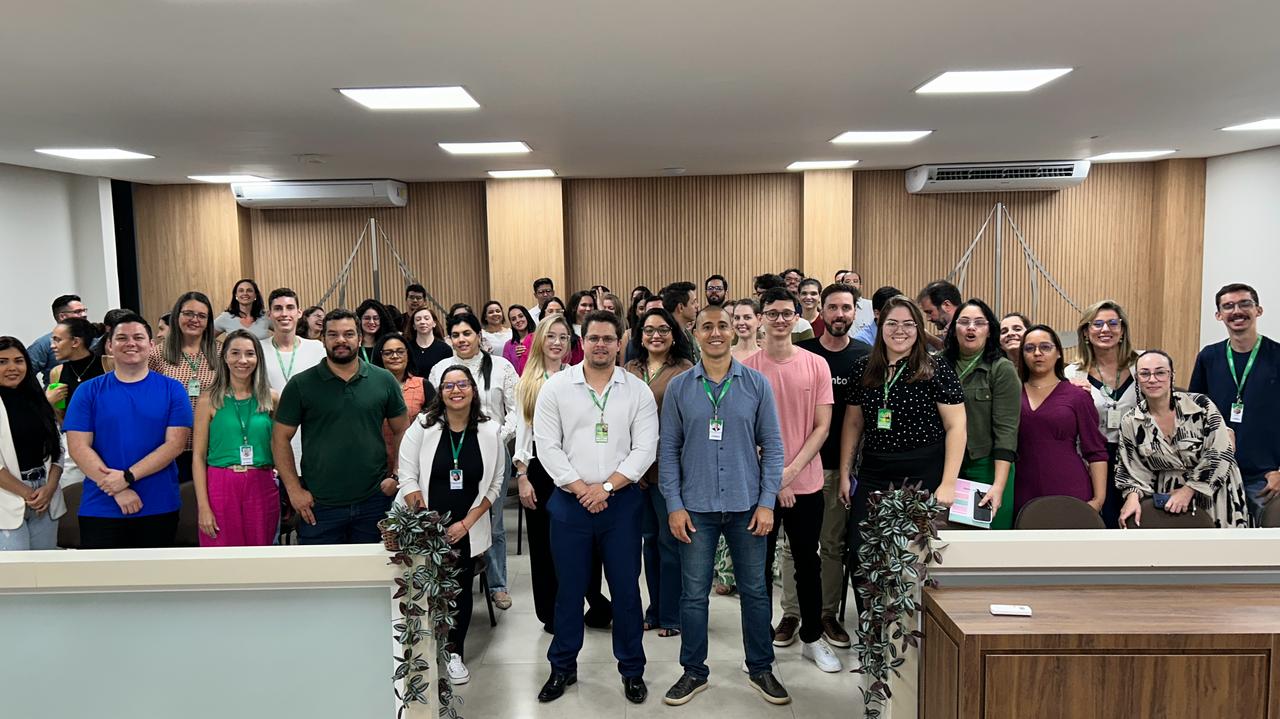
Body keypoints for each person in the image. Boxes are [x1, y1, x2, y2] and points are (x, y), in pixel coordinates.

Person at [658, 304, 790, 707]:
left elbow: (774, 447)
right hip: (695, 506)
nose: (715, 333)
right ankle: (693, 672)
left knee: (755, 592)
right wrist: (674, 505)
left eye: (722, 326)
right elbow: (668, 451)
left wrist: (767, 503)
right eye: (707, 327)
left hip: (746, 504)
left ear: (734, 331)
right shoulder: (680, 387)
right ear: (695, 334)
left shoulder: (756, 384)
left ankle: (761, 668)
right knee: (693, 595)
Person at [533, 310, 658, 706]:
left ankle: (632, 670)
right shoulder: (556, 388)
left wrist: (605, 488)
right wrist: (581, 488)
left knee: (625, 592)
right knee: (569, 592)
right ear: (581, 343)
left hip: (621, 505)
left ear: (620, 344)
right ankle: (562, 667)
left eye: (608, 339)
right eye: (593, 338)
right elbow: (547, 446)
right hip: (570, 506)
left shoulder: (636, 390)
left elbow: (645, 449)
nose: (600, 345)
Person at [839, 296, 966, 612]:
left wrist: (948, 483)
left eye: (908, 324)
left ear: (919, 328)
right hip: (874, 472)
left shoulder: (935, 368)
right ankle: (873, 625)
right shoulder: (863, 368)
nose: (900, 330)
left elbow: (956, 426)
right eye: (892, 323)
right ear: (880, 326)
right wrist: (844, 473)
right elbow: (853, 424)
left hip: (922, 474)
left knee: (913, 553)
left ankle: (909, 624)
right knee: (861, 550)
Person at [741, 287, 839, 672]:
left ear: (797, 318)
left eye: (786, 313)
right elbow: (745, 431)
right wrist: (775, 481)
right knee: (758, 567)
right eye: (772, 313)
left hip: (807, 483)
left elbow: (822, 427)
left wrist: (790, 474)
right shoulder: (747, 369)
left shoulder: (816, 365)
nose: (779, 320)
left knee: (807, 562)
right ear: (761, 318)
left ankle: (812, 638)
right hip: (760, 488)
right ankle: (758, 644)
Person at [397, 365, 505, 684]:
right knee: (425, 588)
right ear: (440, 392)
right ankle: (423, 649)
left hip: (466, 528)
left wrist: (466, 524)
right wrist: (429, 523)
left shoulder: (490, 431)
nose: (456, 391)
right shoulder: (423, 426)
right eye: (448, 386)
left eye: (462, 384)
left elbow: (495, 484)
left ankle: (454, 653)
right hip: (426, 526)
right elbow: (407, 476)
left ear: (473, 389)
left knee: (460, 590)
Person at [272, 310, 409, 544]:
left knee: (372, 568)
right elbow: (279, 438)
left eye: (348, 334)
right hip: (318, 505)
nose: (341, 340)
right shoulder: (301, 384)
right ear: (323, 339)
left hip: (374, 502)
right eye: (333, 334)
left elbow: (403, 430)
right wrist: (294, 490)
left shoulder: (383, 380)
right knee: (322, 569)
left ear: (360, 338)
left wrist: (397, 475)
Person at [65, 314, 192, 548]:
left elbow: (175, 445)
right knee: (103, 572)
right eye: (122, 338)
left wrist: (127, 477)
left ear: (151, 345)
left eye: (138, 337)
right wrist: (118, 490)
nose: (131, 343)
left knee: (155, 572)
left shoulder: (173, 390)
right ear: (109, 345)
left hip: (158, 505)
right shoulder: (87, 391)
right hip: (101, 507)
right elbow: (78, 447)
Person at [790, 283, 870, 648]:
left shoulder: (865, 357)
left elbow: (861, 418)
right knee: (793, 547)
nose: (840, 314)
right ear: (820, 311)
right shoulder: (804, 352)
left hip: (841, 467)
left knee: (833, 545)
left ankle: (826, 614)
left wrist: (849, 470)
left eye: (846, 308)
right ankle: (792, 613)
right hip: (800, 467)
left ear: (855, 312)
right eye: (833, 307)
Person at [429, 313, 519, 610]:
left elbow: (515, 411)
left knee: (492, 520)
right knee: (454, 517)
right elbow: (434, 411)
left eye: (467, 333)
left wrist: (495, 438)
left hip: (494, 451)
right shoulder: (440, 369)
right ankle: (453, 581)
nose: (462, 340)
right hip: (451, 454)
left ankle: (497, 584)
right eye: (455, 335)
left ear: (479, 335)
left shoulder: (502, 367)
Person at [1116, 350, 1251, 529]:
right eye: (1145, 373)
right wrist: (1132, 497)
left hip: (1215, 492)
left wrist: (1189, 490)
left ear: (1172, 376)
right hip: (1169, 496)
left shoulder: (1201, 405)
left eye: (1160, 372)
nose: (1152, 379)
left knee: (1221, 546)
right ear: (1137, 379)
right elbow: (1132, 468)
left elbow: (1221, 450)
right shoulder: (1131, 420)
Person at [624, 308, 694, 638]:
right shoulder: (628, 370)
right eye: (649, 330)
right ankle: (653, 608)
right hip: (635, 470)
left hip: (670, 468)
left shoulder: (685, 369)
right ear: (639, 336)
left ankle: (671, 614)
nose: (656, 335)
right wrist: (629, 467)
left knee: (670, 542)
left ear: (673, 335)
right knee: (649, 542)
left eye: (663, 329)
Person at [515, 316, 585, 634]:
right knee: (543, 545)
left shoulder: (577, 377)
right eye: (551, 336)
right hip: (540, 470)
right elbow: (523, 433)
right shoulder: (528, 383)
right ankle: (550, 613)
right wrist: (522, 475)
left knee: (574, 545)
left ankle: (578, 605)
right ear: (540, 341)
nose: (557, 342)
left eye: (563, 337)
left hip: (574, 468)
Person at [1189, 283, 1280, 518]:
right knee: (1218, 541)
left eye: (1245, 304)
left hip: (1266, 477)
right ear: (1219, 315)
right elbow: (1193, 414)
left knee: (1266, 541)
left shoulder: (1277, 356)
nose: (1237, 311)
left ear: (1258, 310)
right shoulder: (1208, 357)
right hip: (1217, 472)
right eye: (1228, 306)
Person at [192, 330, 278, 547]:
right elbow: (198, 457)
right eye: (235, 353)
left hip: (261, 483)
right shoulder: (208, 400)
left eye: (250, 353)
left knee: (260, 552)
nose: (243, 360)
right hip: (221, 484)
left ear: (258, 358)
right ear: (225, 357)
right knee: (222, 554)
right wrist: (203, 506)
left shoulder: (271, 398)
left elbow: (279, 444)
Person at [942, 299, 1021, 529]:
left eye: (979, 323)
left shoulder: (1001, 368)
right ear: (954, 329)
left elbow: (1006, 431)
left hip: (987, 466)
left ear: (989, 330)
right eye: (964, 322)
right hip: (945, 466)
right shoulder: (937, 364)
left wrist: (999, 485)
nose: (971, 328)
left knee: (989, 538)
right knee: (946, 540)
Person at [1014, 325, 1109, 513]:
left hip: (1069, 487)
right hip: (1021, 488)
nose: (1037, 353)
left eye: (1045, 347)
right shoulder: (1011, 394)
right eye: (1030, 348)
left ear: (1058, 352)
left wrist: (1099, 499)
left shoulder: (1077, 395)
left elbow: (1096, 450)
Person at [1064, 300, 1140, 527]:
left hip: (1135, 458)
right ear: (1086, 332)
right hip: (1091, 460)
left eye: (1113, 323)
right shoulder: (1072, 373)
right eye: (1097, 324)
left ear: (1122, 330)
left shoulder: (1142, 366)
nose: (1105, 329)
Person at [0, 338, 67, 550]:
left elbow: (57, 448)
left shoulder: (37, 399)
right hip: (8, 498)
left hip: (45, 494)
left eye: (18, 360)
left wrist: (49, 488)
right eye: (2, 362)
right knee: (16, 567)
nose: (12, 367)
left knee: (45, 566)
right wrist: (28, 494)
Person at [149, 291, 220, 485]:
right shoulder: (157, 354)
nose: (194, 320)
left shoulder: (221, 352)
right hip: (170, 445)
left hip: (213, 445)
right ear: (177, 316)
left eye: (201, 316)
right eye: (188, 313)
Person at [372, 333, 428, 473]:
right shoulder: (369, 387)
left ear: (408, 354)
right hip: (376, 465)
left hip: (416, 463)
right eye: (388, 353)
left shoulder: (423, 385)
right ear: (380, 356)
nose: (395, 356)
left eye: (400, 351)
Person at [45, 317, 107, 421]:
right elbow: (61, 416)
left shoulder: (108, 364)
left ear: (75, 342)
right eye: (53, 340)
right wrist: (50, 402)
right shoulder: (56, 373)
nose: (52, 346)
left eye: (58, 340)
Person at [28, 294, 88, 385]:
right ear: (62, 316)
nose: (84, 315)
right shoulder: (44, 344)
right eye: (78, 312)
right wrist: (40, 393)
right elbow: (25, 373)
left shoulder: (94, 338)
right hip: (60, 393)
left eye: (84, 310)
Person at [753, 274, 814, 342]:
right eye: (758, 294)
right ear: (760, 318)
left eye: (786, 314)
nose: (760, 298)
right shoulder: (752, 325)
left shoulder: (802, 325)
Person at [404, 306, 451, 379]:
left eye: (426, 318)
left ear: (434, 323)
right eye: (418, 319)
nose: (422, 322)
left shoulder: (445, 349)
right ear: (414, 326)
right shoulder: (407, 348)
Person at [662, 282, 701, 364]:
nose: (697, 306)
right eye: (693, 302)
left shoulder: (687, 333)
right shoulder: (668, 338)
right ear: (680, 307)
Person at [355, 299, 395, 364]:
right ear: (360, 320)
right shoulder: (354, 347)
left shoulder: (388, 346)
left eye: (376, 318)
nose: (371, 322)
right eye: (367, 318)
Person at [502, 304, 536, 370]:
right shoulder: (508, 345)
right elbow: (506, 369)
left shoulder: (538, 338)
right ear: (511, 323)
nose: (518, 320)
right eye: (513, 319)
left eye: (521, 316)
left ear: (527, 317)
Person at [843, 271, 875, 337]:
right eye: (847, 282)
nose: (851, 284)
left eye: (855, 281)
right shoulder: (837, 306)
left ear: (860, 286)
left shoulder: (871, 305)